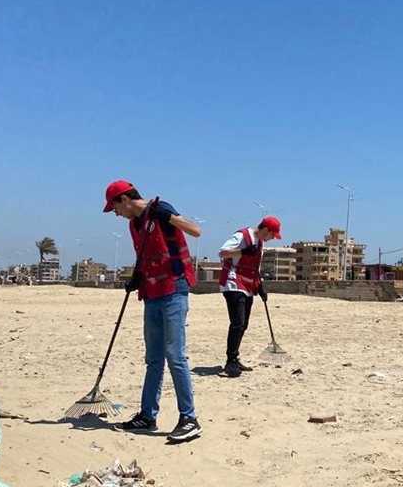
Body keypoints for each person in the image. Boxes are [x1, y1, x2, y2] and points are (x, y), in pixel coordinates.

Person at [104, 179, 203, 441]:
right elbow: (146, 255)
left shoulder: (160, 209)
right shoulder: (134, 224)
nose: (116, 213)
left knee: (175, 355)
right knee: (154, 359)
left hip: (174, 289)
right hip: (152, 293)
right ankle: (147, 415)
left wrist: (166, 216)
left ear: (125, 199)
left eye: (115, 208)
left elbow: (195, 231)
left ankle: (189, 418)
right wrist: (136, 277)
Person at [217, 216, 282, 377]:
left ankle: (235, 357)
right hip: (233, 283)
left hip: (247, 285)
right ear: (265, 230)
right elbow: (222, 253)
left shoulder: (260, 243)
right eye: (272, 235)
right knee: (237, 323)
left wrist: (260, 287)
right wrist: (243, 251)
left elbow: (254, 268)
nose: (272, 238)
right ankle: (230, 361)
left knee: (244, 324)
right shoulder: (242, 236)